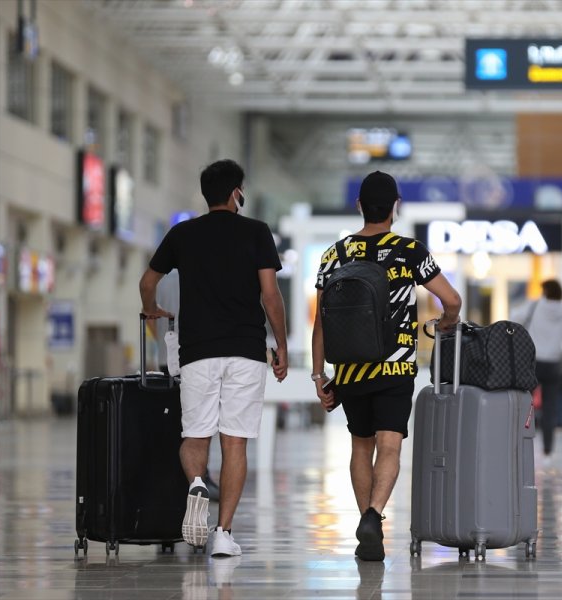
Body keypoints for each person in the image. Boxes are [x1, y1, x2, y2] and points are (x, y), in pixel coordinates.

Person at [139, 159, 288, 558]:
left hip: (197, 352)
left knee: (195, 436)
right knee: (234, 443)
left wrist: (152, 310)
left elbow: (148, 281)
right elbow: (270, 295)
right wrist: (282, 349)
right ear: (237, 192)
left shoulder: (182, 234)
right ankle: (223, 533)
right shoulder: (257, 232)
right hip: (246, 351)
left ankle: (196, 483)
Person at [312, 171, 461, 562]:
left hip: (348, 371)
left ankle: (366, 524)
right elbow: (453, 300)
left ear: (359, 205)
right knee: (389, 445)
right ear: (395, 207)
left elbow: (321, 322)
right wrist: (444, 327)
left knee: (360, 446)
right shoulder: (410, 251)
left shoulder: (333, 255)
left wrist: (318, 374)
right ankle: (375, 517)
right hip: (394, 368)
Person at [152, 269, 220, 501]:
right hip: (194, 359)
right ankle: (200, 478)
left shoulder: (160, 279)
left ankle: (172, 478)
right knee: (200, 424)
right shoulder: (200, 276)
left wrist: (163, 344)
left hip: (165, 358)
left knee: (171, 421)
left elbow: (150, 318)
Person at [510, 279, 562, 467]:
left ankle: (520, 444)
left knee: (525, 404)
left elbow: (514, 318)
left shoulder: (534, 306)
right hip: (554, 365)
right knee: (550, 409)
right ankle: (548, 451)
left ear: (545, 291)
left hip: (533, 362)